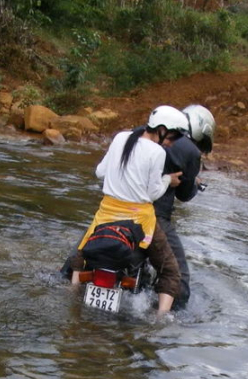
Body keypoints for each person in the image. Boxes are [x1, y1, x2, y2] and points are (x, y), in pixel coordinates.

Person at [65, 105, 188, 315]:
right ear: (161, 129)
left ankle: (71, 297)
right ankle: (160, 320)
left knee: (80, 256)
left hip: (106, 214)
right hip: (139, 220)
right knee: (170, 270)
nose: (171, 143)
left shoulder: (121, 137)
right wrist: (168, 180)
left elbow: (99, 172)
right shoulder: (157, 152)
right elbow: (151, 194)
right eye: (172, 137)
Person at [154, 104, 216, 309]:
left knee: (86, 249)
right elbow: (183, 194)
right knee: (179, 277)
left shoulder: (142, 133)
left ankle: (68, 275)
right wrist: (194, 185)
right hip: (155, 216)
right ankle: (173, 320)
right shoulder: (190, 150)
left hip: (118, 207)